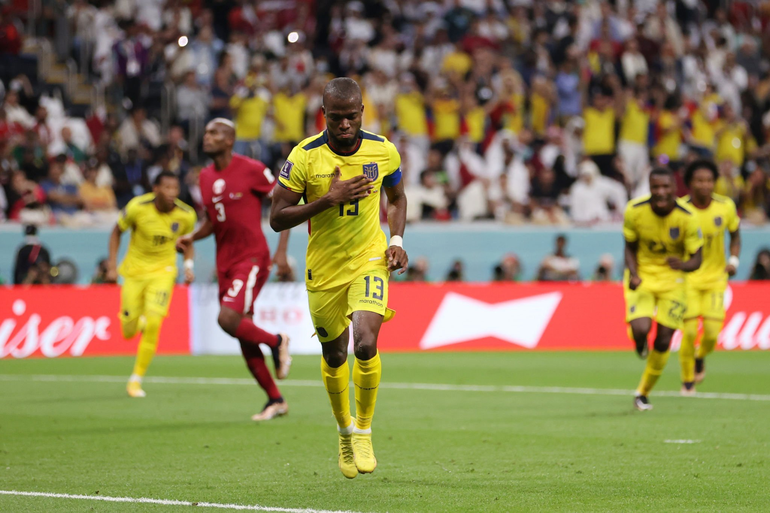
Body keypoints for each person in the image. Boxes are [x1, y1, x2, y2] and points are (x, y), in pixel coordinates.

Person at [270, 78, 408, 479]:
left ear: (362, 112)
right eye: (336, 118)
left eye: (351, 117)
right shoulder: (305, 157)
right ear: (323, 115)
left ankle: (363, 430)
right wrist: (327, 200)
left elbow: (397, 198)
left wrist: (396, 239)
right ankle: (344, 431)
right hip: (324, 270)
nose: (344, 124)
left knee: (365, 344)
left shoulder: (382, 150)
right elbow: (277, 218)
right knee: (335, 355)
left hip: (369, 259)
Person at [176, 118, 292, 422]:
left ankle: (278, 342)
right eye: (207, 132)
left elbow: (285, 203)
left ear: (230, 140)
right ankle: (275, 399)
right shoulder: (203, 177)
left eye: (215, 133)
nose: (207, 136)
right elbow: (213, 221)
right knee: (242, 332)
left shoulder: (252, 169)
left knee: (228, 318)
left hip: (251, 257)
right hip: (224, 263)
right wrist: (192, 237)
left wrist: (281, 252)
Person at [106, 171, 197, 398]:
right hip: (134, 273)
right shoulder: (137, 207)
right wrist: (111, 266)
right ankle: (140, 322)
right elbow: (116, 232)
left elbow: (187, 243)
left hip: (163, 272)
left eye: (175, 188)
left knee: (155, 321)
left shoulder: (186, 215)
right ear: (155, 189)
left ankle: (135, 380)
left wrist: (188, 266)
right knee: (128, 331)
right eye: (166, 188)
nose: (171, 193)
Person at [623, 167, 703, 411]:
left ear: (674, 188)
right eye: (655, 187)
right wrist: (634, 274)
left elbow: (697, 258)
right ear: (649, 187)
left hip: (673, 281)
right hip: (644, 277)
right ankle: (639, 341)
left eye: (665, 187)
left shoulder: (687, 216)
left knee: (664, 338)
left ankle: (643, 392)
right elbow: (629, 247)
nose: (660, 192)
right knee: (640, 329)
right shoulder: (635, 210)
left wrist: (684, 265)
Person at [678, 160, 741, 394]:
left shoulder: (725, 207)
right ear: (690, 183)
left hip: (716, 279)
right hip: (688, 280)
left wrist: (733, 261)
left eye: (709, 180)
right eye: (699, 180)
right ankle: (687, 381)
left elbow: (735, 236)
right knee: (690, 332)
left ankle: (700, 357)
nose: (704, 185)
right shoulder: (680, 208)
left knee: (712, 334)